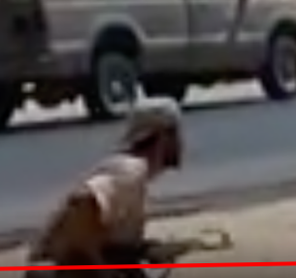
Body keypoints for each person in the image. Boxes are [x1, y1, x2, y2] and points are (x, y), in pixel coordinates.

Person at [25, 99, 186, 278]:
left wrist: (147, 249)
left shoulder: (132, 174)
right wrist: (100, 269)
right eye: (177, 133)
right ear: (164, 136)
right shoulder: (131, 170)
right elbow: (81, 201)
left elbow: (106, 240)